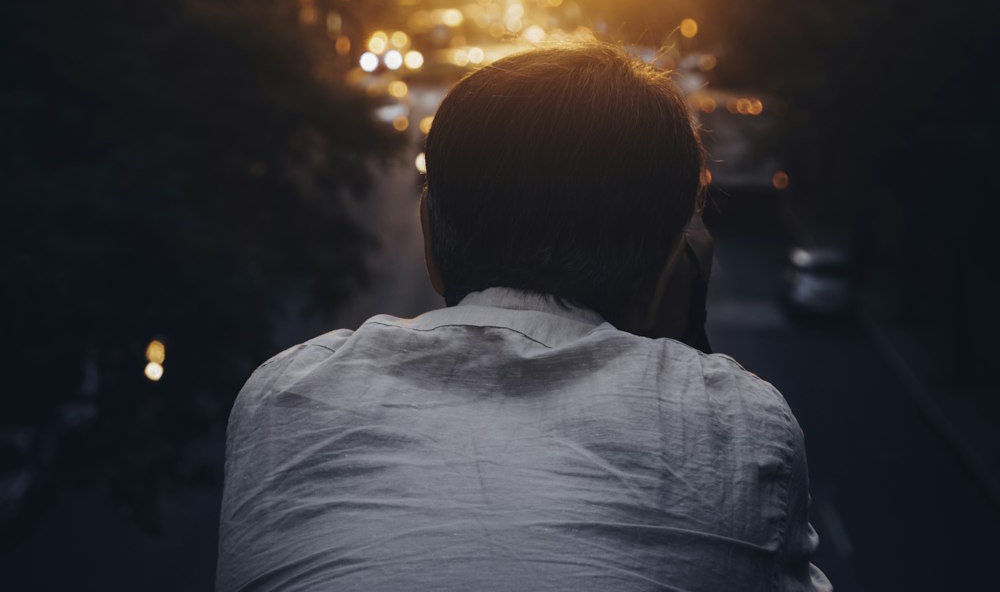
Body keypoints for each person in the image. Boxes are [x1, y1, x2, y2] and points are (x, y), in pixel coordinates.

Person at [216, 41, 830, 591]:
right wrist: (682, 334)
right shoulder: (745, 425)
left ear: (429, 240)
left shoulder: (282, 398)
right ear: (680, 261)